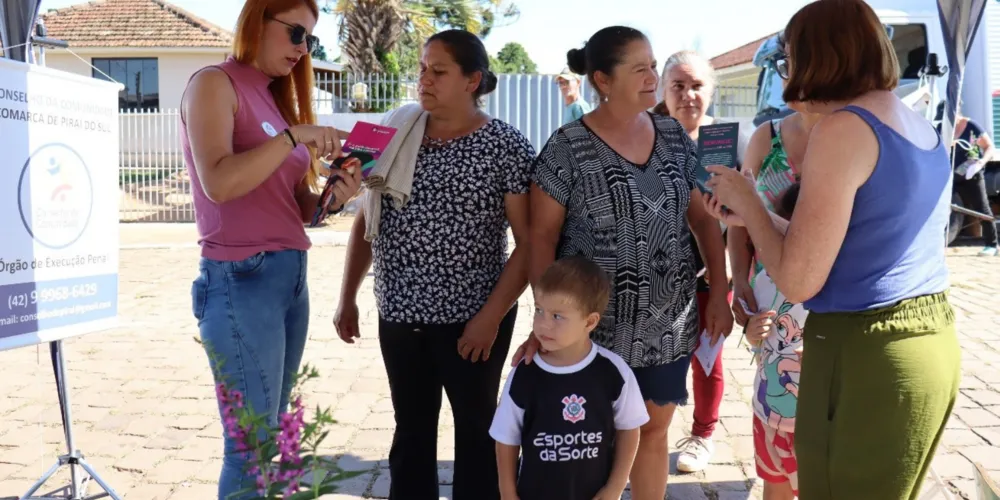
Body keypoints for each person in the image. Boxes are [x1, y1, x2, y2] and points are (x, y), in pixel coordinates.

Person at [704, 1, 961, 498]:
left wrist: (751, 205)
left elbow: (800, 280)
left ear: (821, 58)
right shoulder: (916, 122)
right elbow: (854, 238)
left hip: (864, 350)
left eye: (789, 60)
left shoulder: (842, 129)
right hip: (925, 341)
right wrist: (760, 217)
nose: (786, 76)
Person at [515, 26, 734, 500]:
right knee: (593, 443)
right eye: (640, 69)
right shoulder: (567, 147)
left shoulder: (676, 137)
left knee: (653, 436)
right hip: (591, 331)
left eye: (653, 66)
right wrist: (547, 319)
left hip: (666, 328)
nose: (653, 77)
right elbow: (541, 236)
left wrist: (719, 292)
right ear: (603, 80)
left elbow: (702, 220)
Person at [333, 29, 536, 500]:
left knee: (477, 433)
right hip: (400, 315)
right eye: (422, 68)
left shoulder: (506, 145)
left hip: (473, 322)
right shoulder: (385, 132)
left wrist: (488, 319)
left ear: (473, 80)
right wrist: (348, 298)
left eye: (439, 71)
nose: (424, 78)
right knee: (411, 432)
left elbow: (528, 244)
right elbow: (366, 218)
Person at [181, 1, 362, 498]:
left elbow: (294, 206)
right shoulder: (214, 83)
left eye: (311, 41)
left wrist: (332, 198)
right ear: (258, 22)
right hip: (241, 277)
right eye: (296, 34)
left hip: (288, 276)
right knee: (250, 447)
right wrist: (291, 138)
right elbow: (218, 182)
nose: (303, 50)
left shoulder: (275, 99)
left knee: (271, 439)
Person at [653, 49, 746, 474]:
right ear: (662, 89)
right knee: (655, 359)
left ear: (711, 90)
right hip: (654, 277)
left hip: (710, 274)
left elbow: (744, 220)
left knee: (707, 360)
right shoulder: (645, 136)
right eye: (678, 85)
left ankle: (702, 434)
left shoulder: (729, 141)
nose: (688, 95)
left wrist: (730, 284)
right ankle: (644, 433)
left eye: (697, 85)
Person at [490, 256, 649, 500]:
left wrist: (614, 488)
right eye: (539, 311)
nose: (543, 324)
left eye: (557, 316)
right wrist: (508, 493)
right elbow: (505, 438)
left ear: (590, 322)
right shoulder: (525, 373)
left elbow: (630, 429)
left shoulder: (613, 372)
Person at [743, 183, 806, 500]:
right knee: (774, 486)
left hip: (814, 423)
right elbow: (756, 338)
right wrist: (751, 330)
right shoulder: (764, 281)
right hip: (767, 412)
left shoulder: (832, 287)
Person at [938, 102, 998, 256]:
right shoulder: (941, 128)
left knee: (981, 208)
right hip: (950, 174)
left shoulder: (971, 126)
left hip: (971, 172)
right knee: (942, 207)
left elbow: (989, 147)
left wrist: (980, 163)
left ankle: (992, 244)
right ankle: (937, 242)